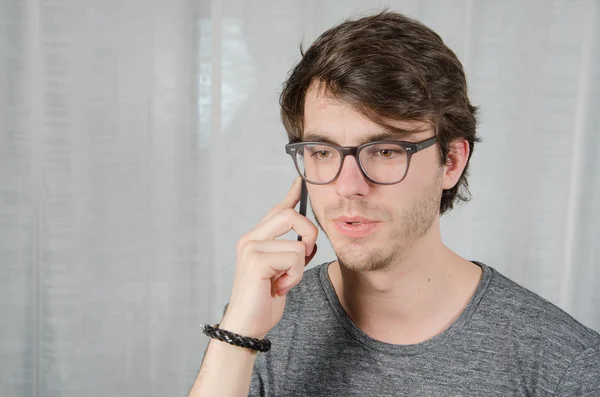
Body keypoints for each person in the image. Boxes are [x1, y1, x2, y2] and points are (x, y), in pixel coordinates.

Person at [189, 10, 600, 397]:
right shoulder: (259, 325)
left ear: (451, 162)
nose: (349, 186)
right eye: (323, 152)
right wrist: (238, 334)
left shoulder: (564, 365)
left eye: (384, 151)